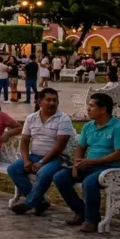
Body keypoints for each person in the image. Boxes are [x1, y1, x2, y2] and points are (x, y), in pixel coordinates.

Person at [53, 93, 120, 232]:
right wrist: (77, 162)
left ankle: (92, 220)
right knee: (60, 177)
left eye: (91, 106)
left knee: (89, 182)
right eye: (88, 106)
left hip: (112, 169)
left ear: (103, 109)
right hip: (91, 165)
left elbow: (119, 154)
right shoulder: (88, 126)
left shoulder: (119, 128)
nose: (88, 109)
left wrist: (93, 161)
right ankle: (80, 212)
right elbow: (80, 147)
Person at [7, 87, 76, 215]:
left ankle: (29, 204)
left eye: (55, 100)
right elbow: (24, 141)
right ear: (40, 102)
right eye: (48, 100)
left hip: (58, 158)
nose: (52, 103)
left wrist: (42, 162)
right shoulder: (31, 118)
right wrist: (27, 160)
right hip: (34, 156)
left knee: (43, 172)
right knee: (13, 169)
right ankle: (40, 202)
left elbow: (60, 146)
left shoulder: (63, 119)